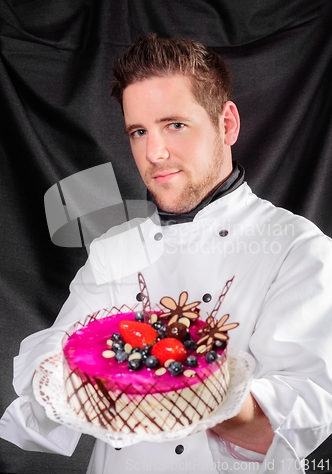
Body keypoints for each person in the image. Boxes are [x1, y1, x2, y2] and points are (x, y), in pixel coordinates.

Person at [1, 34, 332, 473]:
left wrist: (174, 383)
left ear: (227, 123)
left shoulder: (296, 248)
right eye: (139, 131)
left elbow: (292, 420)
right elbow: (54, 381)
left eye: (174, 124)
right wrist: (69, 376)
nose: (154, 153)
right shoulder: (112, 250)